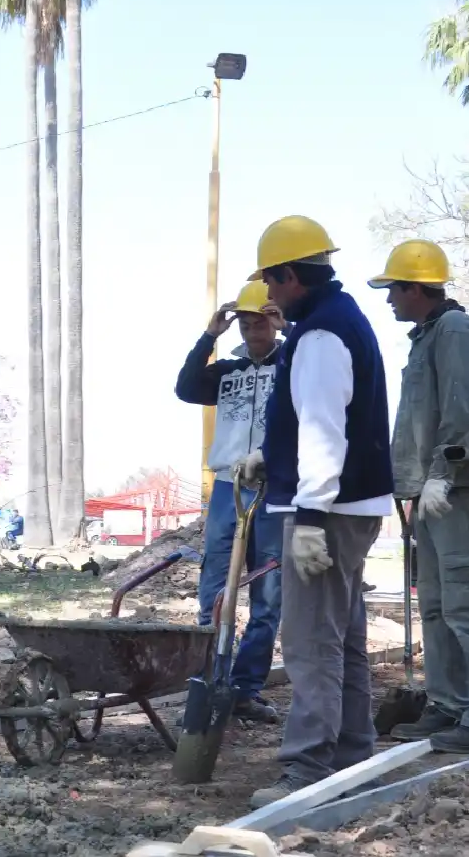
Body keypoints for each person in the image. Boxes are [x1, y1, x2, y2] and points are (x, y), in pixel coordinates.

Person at [239, 216, 394, 807]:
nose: (270, 297)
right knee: (343, 637)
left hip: (327, 511)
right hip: (345, 505)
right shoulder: (339, 321)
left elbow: (326, 430)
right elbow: (314, 421)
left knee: (309, 643)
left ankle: (307, 768)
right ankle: (354, 753)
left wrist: (307, 514)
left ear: (292, 276)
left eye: (272, 283)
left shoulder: (322, 336)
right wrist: (268, 456)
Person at [369, 240, 469, 754]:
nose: (389, 301)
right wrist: (412, 483)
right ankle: (449, 705)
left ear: (416, 287)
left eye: (393, 290)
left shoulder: (454, 331)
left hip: (460, 489)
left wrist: (442, 473)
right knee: (436, 605)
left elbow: (462, 408)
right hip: (430, 491)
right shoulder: (427, 336)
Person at [175, 279, 286, 724]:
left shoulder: (291, 363)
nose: (251, 328)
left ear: (274, 322)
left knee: (268, 590)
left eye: (260, 319)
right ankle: (210, 679)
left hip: (275, 483)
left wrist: (290, 332)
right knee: (215, 585)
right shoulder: (226, 371)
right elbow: (185, 388)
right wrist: (209, 336)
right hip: (228, 485)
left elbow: (312, 373)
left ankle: (246, 688)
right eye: (244, 320)